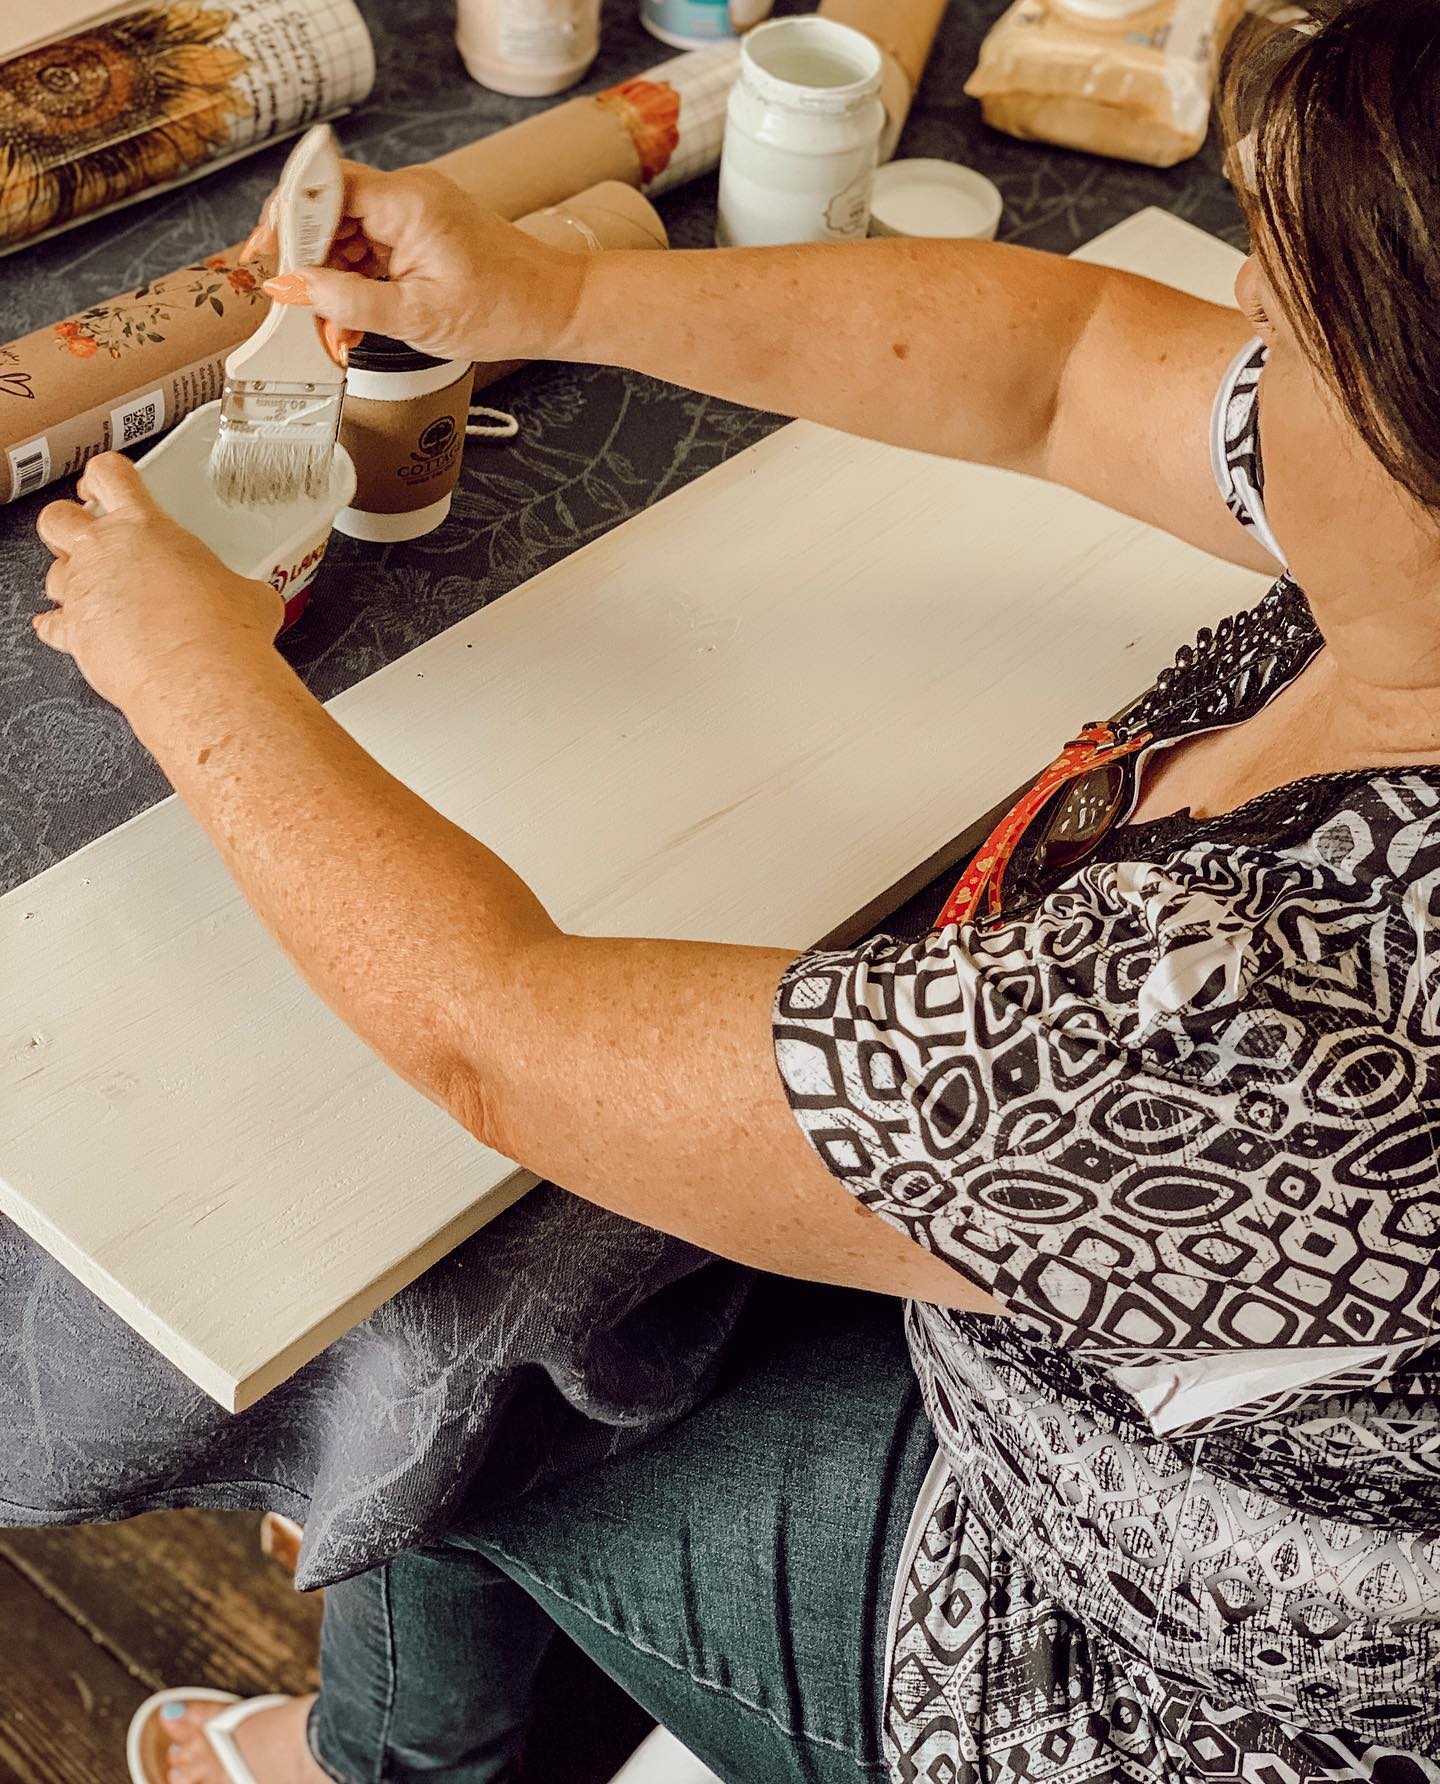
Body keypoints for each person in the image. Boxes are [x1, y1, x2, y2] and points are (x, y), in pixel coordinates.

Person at [28, 2, 1440, 1780]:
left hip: (1126, 1683)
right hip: (1154, 1370)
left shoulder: (1277, 1011)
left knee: (453, 1379)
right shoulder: (1397, 536)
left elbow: (497, 1036)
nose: (1235, 309)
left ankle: (379, 1766)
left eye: (1292, 319)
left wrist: (188, 673)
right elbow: (1071, 366)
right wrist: (551, 295)